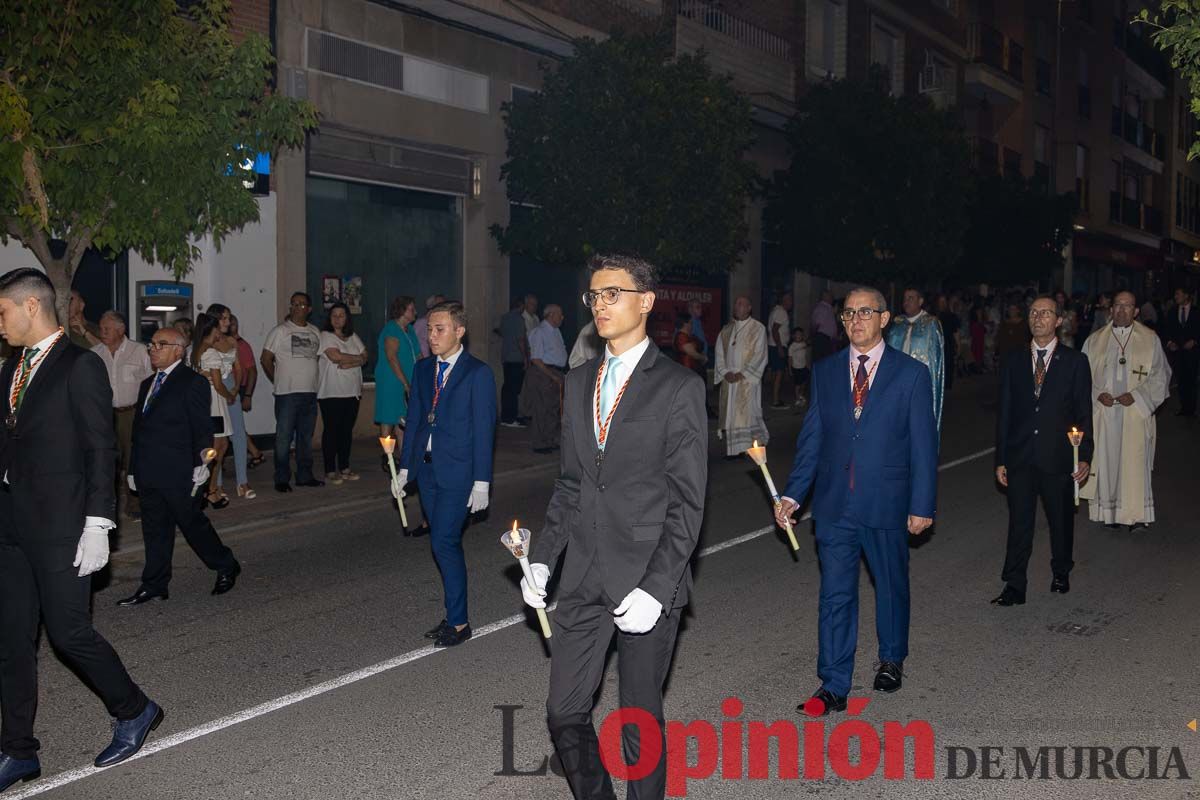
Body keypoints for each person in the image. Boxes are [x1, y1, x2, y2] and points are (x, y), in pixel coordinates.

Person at [521, 253, 707, 800]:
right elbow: (572, 484)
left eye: (613, 294)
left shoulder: (678, 387)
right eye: (594, 296)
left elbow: (687, 502)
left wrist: (658, 587)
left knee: (638, 721)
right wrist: (542, 557)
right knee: (564, 712)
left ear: (646, 301)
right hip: (582, 575)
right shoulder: (578, 383)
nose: (600, 305)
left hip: (647, 576)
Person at [0, 269, 162, 787]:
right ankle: (18, 750)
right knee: (11, 639)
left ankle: (134, 708)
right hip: (11, 524)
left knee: (69, 634)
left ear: (31, 306)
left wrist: (99, 522)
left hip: (63, 523)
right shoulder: (11, 368)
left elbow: (101, 446)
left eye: (1, 311)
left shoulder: (79, 366)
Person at [775, 286, 937, 716]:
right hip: (833, 505)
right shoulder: (826, 372)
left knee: (890, 584)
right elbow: (813, 439)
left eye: (866, 312)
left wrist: (921, 504)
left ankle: (891, 658)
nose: (856, 320)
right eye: (848, 314)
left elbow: (923, 444)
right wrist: (793, 493)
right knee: (835, 595)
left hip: (887, 500)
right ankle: (833, 683)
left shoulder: (911, 374)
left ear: (884, 319)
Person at [391, 302, 496, 648]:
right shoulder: (423, 370)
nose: (431, 336)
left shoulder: (477, 373)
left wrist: (482, 482)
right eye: (429, 330)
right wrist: (405, 469)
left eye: (439, 329)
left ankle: (460, 622)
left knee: (444, 542)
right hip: (428, 471)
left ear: (459, 331)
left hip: (460, 474)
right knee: (442, 542)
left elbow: (484, 431)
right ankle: (453, 614)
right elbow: (417, 421)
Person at [120, 326, 241, 605]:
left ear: (178, 350)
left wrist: (204, 465)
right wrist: (132, 470)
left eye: (159, 344)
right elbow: (138, 431)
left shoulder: (192, 382)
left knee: (192, 525)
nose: (153, 349)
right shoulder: (146, 384)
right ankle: (154, 584)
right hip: (149, 471)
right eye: (151, 344)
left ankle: (225, 564)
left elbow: (203, 429)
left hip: (180, 472)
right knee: (154, 530)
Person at [992, 296, 1093, 606]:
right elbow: (1006, 412)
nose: (1038, 318)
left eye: (1046, 313)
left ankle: (1061, 571)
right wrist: (1001, 459)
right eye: (1034, 313)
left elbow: (1083, 412)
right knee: (1019, 522)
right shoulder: (1014, 360)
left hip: (1057, 456)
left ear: (1058, 321)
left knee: (1061, 520)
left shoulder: (1074, 362)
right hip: (1021, 456)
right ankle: (1014, 584)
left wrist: (1085, 455)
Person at [1079, 291, 1171, 530]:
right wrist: (1098, 394)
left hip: (1135, 413)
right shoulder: (1095, 340)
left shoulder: (1150, 339)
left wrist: (1138, 395)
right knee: (1107, 462)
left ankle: (1136, 516)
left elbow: (1161, 375)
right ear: (1111, 310)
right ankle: (1110, 515)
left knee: (1134, 463)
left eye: (1127, 306)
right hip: (1105, 413)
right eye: (1117, 305)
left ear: (1136, 311)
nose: (1121, 310)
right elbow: (1081, 377)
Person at [92, 310, 153, 519]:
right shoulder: (95, 353)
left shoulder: (139, 351)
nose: (102, 332)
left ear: (121, 330)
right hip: (104, 415)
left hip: (132, 413)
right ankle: (108, 506)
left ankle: (134, 504)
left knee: (132, 460)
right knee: (107, 461)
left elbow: (152, 382)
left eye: (106, 329)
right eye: (101, 328)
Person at [261, 292, 323, 492]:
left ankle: (304, 476)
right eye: (294, 304)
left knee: (305, 437)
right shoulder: (280, 331)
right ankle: (281, 478)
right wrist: (276, 379)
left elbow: (317, 359)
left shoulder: (315, 332)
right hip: (287, 394)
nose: (297, 307)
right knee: (284, 437)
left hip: (310, 393)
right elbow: (265, 359)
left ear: (309, 309)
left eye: (302, 304)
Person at [206, 304, 253, 501]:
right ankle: (215, 485)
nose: (228, 322)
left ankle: (242, 482)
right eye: (224, 318)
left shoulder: (232, 341)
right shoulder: (205, 343)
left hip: (231, 389)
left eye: (229, 318)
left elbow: (239, 368)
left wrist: (235, 390)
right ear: (215, 319)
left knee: (239, 435)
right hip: (214, 393)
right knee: (217, 439)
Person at [318, 302, 367, 485]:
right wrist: (358, 360)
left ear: (347, 318)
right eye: (334, 315)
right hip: (331, 392)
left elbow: (366, 356)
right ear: (329, 318)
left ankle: (345, 467)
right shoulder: (325, 336)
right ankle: (330, 470)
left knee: (346, 431)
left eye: (342, 315)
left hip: (352, 392)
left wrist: (351, 362)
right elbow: (335, 356)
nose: (338, 318)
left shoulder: (353, 336)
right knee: (332, 431)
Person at [714, 296, 769, 457]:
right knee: (732, 414)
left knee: (748, 413)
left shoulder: (758, 328)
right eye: (736, 304)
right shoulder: (727, 330)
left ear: (749, 308)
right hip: (730, 379)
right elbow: (719, 353)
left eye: (741, 304)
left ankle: (747, 447)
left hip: (747, 380)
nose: (736, 307)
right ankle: (734, 450)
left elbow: (760, 354)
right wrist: (725, 372)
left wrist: (742, 373)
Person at [885, 288, 945, 431]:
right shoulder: (897, 325)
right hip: (897, 383)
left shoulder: (931, 325)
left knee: (918, 425)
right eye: (905, 298)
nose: (906, 302)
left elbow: (936, 361)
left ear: (921, 301)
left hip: (919, 385)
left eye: (911, 298)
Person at [193, 312, 234, 509]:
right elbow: (218, 384)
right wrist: (230, 395)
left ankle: (207, 488)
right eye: (218, 327)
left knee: (218, 446)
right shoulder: (210, 353)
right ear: (213, 330)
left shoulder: (196, 350)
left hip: (205, 404)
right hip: (215, 405)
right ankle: (207, 490)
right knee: (216, 449)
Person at [374, 295, 419, 441]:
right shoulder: (391, 329)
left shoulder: (410, 330)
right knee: (388, 416)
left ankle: (403, 457)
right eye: (412, 309)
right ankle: (388, 457)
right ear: (402, 311)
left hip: (408, 378)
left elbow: (418, 355)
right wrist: (405, 383)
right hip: (392, 380)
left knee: (403, 418)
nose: (415, 312)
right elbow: (392, 357)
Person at [524, 304, 568, 454]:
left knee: (553, 410)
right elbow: (536, 358)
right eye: (559, 314)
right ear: (550, 315)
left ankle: (549, 439)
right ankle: (540, 443)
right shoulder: (539, 332)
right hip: (543, 373)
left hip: (555, 372)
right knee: (541, 409)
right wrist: (552, 376)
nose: (562, 318)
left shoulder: (555, 332)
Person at [229, 315, 266, 470]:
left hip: (237, 389)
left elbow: (252, 371)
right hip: (231, 389)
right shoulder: (228, 344)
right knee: (232, 426)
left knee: (233, 426)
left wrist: (248, 396)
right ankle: (255, 453)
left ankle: (256, 453)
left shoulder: (241, 346)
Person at [1163, 287, 1199, 417]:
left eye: (1178, 294)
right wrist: (1169, 343)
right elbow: (1166, 329)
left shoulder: (1196, 311)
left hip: (1192, 353)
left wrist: (1194, 341)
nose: (1175, 297)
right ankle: (1184, 407)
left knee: (1191, 380)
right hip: (1177, 352)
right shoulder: (1172, 311)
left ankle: (1191, 409)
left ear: (1186, 295)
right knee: (1181, 381)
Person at [496, 297, 528, 427]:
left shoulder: (504, 318)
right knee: (514, 389)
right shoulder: (519, 319)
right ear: (521, 307)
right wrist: (525, 357)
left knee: (507, 387)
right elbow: (520, 340)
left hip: (506, 357)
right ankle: (511, 418)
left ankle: (505, 417)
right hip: (516, 358)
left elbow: (501, 332)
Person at [768, 292, 793, 408]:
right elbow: (774, 330)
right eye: (789, 300)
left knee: (775, 372)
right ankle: (775, 401)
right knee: (779, 373)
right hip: (778, 346)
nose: (791, 302)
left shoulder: (775, 310)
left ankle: (774, 397)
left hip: (773, 345)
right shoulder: (781, 312)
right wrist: (779, 347)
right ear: (783, 300)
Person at [936, 294, 959, 393]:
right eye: (940, 302)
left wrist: (958, 345)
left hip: (948, 343)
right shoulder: (934, 317)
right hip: (937, 345)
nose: (942, 304)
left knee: (948, 364)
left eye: (944, 302)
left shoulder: (951, 316)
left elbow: (956, 332)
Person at [414, 294, 446, 359]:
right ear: (431, 306)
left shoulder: (440, 324)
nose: (443, 308)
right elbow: (412, 345)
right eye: (439, 305)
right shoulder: (420, 323)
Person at [809, 290, 837, 362]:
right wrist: (814, 337)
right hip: (822, 339)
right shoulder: (822, 308)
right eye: (830, 296)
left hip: (826, 339)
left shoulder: (828, 308)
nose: (832, 298)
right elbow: (817, 324)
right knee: (821, 360)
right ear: (825, 297)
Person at [788, 326, 809, 407]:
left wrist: (807, 364)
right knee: (797, 384)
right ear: (794, 336)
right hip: (796, 368)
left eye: (801, 334)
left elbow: (805, 355)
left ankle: (801, 395)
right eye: (797, 334)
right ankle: (797, 398)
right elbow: (789, 359)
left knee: (804, 382)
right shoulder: (792, 346)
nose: (799, 336)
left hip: (803, 367)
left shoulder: (804, 344)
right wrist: (790, 369)